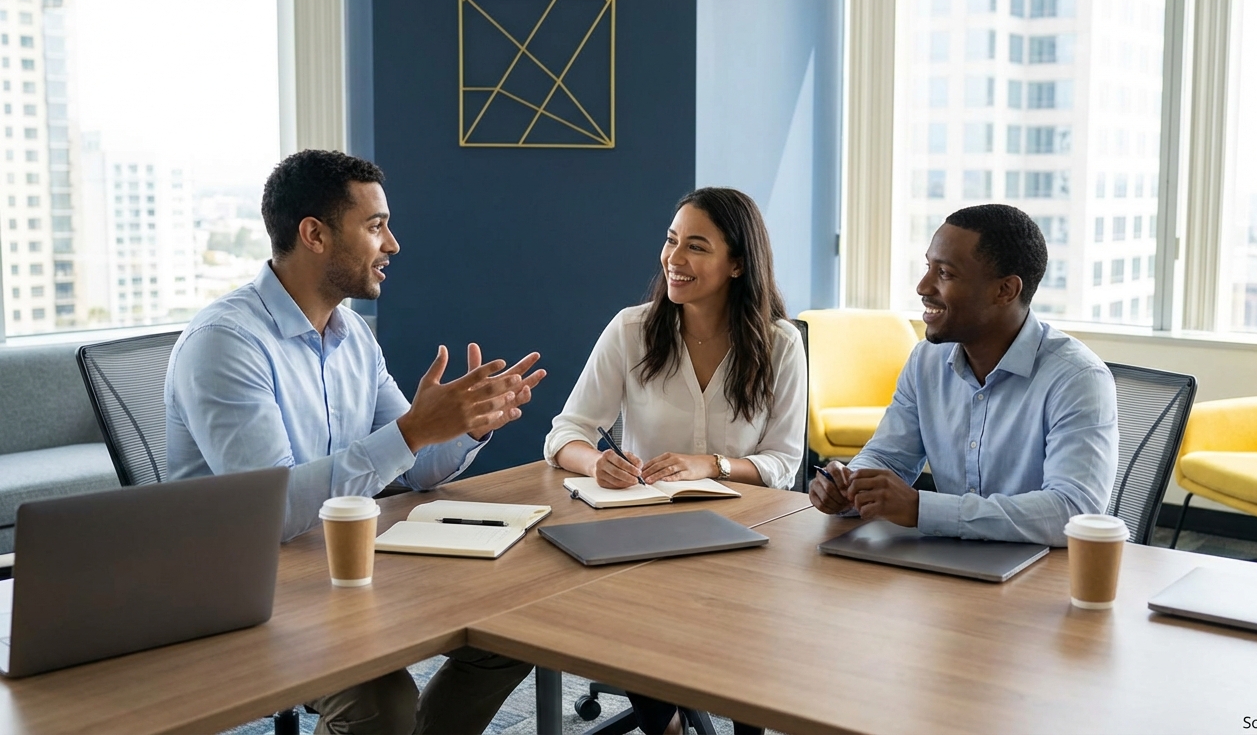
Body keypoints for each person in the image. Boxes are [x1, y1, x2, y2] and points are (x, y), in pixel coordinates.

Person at [165, 149, 544, 735]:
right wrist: (415, 429)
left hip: (342, 566)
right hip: (246, 587)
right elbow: (274, 511)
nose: (391, 244)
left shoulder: (354, 339)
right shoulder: (226, 343)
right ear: (314, 235)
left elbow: (419, 468)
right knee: (380, 703)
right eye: (374, 227)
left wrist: (470, 422)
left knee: (518, 628)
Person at [544, 187, 805, 734]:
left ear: (737, 264)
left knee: (742, 665)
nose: (674, 259)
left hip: (746, 539)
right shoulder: (632, 330)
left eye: (696, 246)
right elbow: (566, 431)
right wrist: (594, 462)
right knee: (639, 629)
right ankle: (664, 721)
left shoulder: (780, 343)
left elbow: (783, 461)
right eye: (671, 240)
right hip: (646, 536)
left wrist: (710, 464)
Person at [808, 203, 1118, 547]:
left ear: (1005, 291)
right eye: (928, 267)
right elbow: (888, 457)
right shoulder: (927, 359)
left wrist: (922, 509)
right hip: (950, 563)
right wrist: (848, 485)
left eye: (945, 273)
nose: (923, 286)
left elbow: (1072, 511)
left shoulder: (1078, 379)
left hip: (1041, 576)